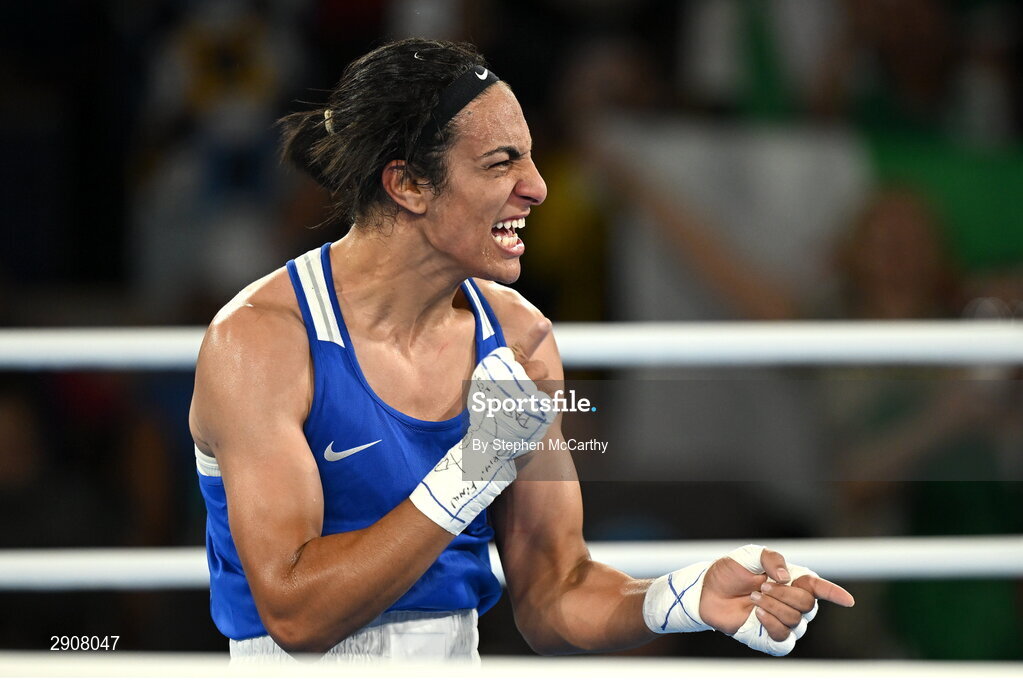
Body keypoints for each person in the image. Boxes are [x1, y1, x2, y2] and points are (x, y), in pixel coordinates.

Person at [188, 38, 854, 662]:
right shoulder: (262, 340)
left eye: (530, 156)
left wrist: (679, 597)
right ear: (409, 185)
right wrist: (473, 467)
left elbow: (551, 591)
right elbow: (297, 614)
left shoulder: (517, 335)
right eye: (501, 161)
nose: (536, 186)